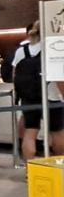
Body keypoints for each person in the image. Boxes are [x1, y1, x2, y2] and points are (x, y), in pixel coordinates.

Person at [11, 21, 64, 160]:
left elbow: (15, 74)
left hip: (28, 97)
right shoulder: (53, 48)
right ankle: (60, 166)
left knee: (31, 132)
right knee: (57, 132)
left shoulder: (21, 50)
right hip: (52, 96)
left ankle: (29, 170)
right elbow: (59, 77)